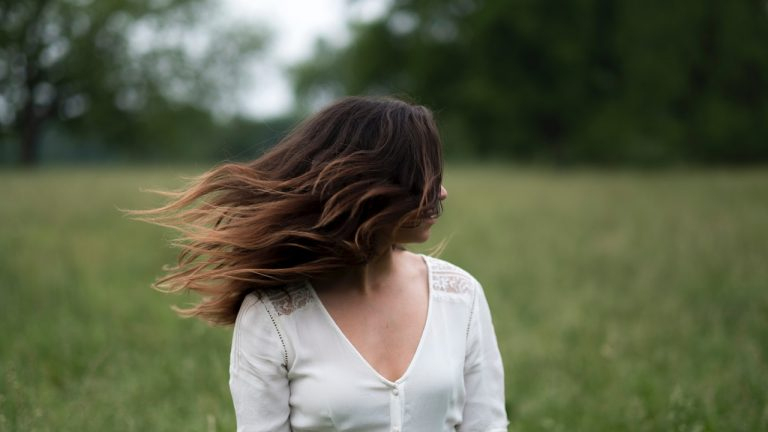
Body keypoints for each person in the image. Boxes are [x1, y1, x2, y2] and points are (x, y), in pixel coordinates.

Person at [139, 96, 508, 431]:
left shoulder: (460, 296)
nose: (441, 191)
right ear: (370, 185)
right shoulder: (273, 317)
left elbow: (487, 426)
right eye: (423, 175)